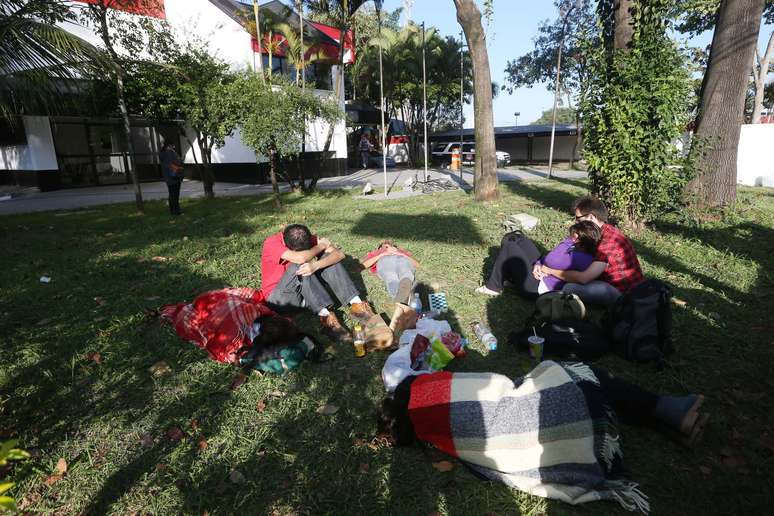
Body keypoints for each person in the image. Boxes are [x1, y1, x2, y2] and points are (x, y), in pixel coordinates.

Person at [377, 361, 708, 513]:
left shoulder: (426, 433)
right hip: (524, 411)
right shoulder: (424, 389)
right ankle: (668, 411)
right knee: (577, 374)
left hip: (514, 434)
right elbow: (492, 382)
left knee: (586, 388)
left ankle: (668, 418)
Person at [261, 224, 374, 343]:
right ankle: (327, 320)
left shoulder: (304, 237)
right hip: (280, 301)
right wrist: (322, 245)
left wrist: (316, 265)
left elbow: (339, 255)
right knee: (300, 265)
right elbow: (301, 259)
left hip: (305, 293)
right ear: (284, 238)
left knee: (327, 257)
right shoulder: (271, 243)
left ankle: (358, 306)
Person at [535, 196, 644, 306]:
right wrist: (541, 263)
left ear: (591, 217)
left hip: (622, 294)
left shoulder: (607, 242)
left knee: (570, 287)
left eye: (578, 218)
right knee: (570, 279)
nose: (576, 222)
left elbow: (584, 278)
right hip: (610, 284)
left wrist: (549, 270)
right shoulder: (598, 231)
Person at [535, 220, 601, 294]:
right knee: (522, 241)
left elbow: (549, 260)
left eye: (574, 237)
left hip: (545, 286)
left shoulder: (581, 258)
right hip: (542, 275)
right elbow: (547, 260)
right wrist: (538, 263)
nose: (570, 238)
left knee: (519, 250)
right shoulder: (575, 247)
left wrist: (544, 267)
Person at [474, 230, 542, 300]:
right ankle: (511, 277)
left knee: (509, 246)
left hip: (538, 289)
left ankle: (493, 287)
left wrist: (548, 270)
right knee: (519, 239)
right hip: (543, 279)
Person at [159, 142, 184, 215]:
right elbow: (178, 162)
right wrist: (181, 159)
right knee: (175, 195)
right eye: (172, 145)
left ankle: (172, 211)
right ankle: (177, 211)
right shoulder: (170, 152)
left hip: (168, 177)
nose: (173, 147)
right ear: (169, 145)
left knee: (171, 194)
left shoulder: (162, 154)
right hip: (175, 176)